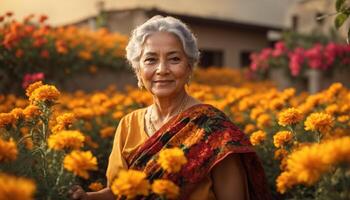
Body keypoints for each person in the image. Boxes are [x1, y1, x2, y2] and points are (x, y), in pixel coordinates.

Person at [69, 15, 271, 200]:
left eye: (174, 59)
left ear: (189, 67)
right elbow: (120, 192)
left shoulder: (213, 129)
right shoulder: (128, 125)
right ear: (138, 70)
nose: (162, 69)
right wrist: (88, 197)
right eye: (151, 60)